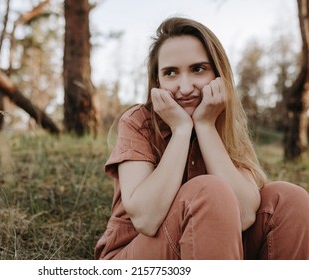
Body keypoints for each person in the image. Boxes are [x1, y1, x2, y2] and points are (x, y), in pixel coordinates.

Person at [94, 17, 309, 260]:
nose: (185, 88)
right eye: (171, 73)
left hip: (214, 248)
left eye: (198, 69)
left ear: (218, 75)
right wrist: (181, 131)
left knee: (290, 199)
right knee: (208, 192)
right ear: (158, 81)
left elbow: (246, 214)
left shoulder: (224, 124)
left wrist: (206, 126)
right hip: (136, 256)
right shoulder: (137, 121)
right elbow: (146, 218)